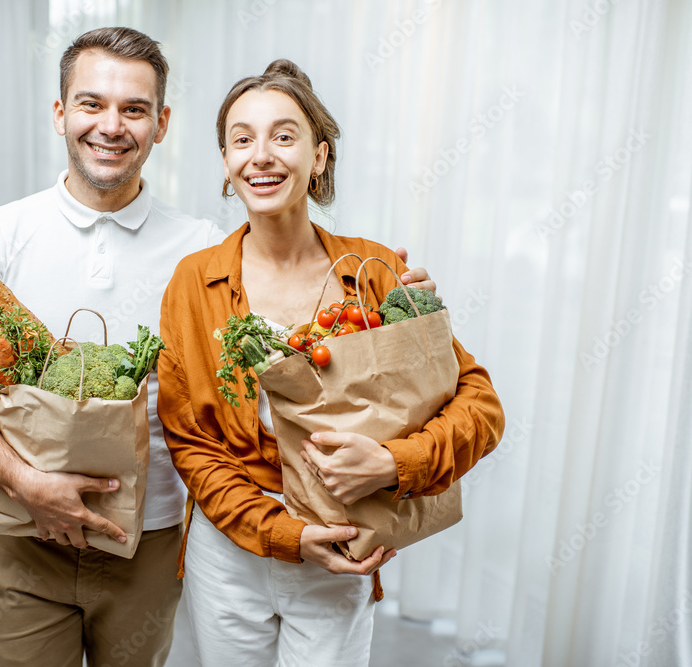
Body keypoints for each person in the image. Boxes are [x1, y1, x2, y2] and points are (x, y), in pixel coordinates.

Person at [0, 28, 435, 666]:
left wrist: (396, 304)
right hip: (28, 536)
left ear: (161, 124)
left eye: (133, 109)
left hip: (148, 542)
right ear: (59, 114)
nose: (111, 125)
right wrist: (25, 481)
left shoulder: (204, 253)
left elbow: (267, 394)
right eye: (90, 103)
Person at [156, 59, 505, 666]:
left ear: (318, 157)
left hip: (343, 545)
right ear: (225, 163)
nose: (260, 155)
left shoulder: (372, 271)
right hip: (231, 551)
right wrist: (283, 533)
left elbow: (480, 405)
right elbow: (190, 441)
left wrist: (393, 463)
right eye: (241, 139)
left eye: (283, 136)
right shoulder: (193, 283)